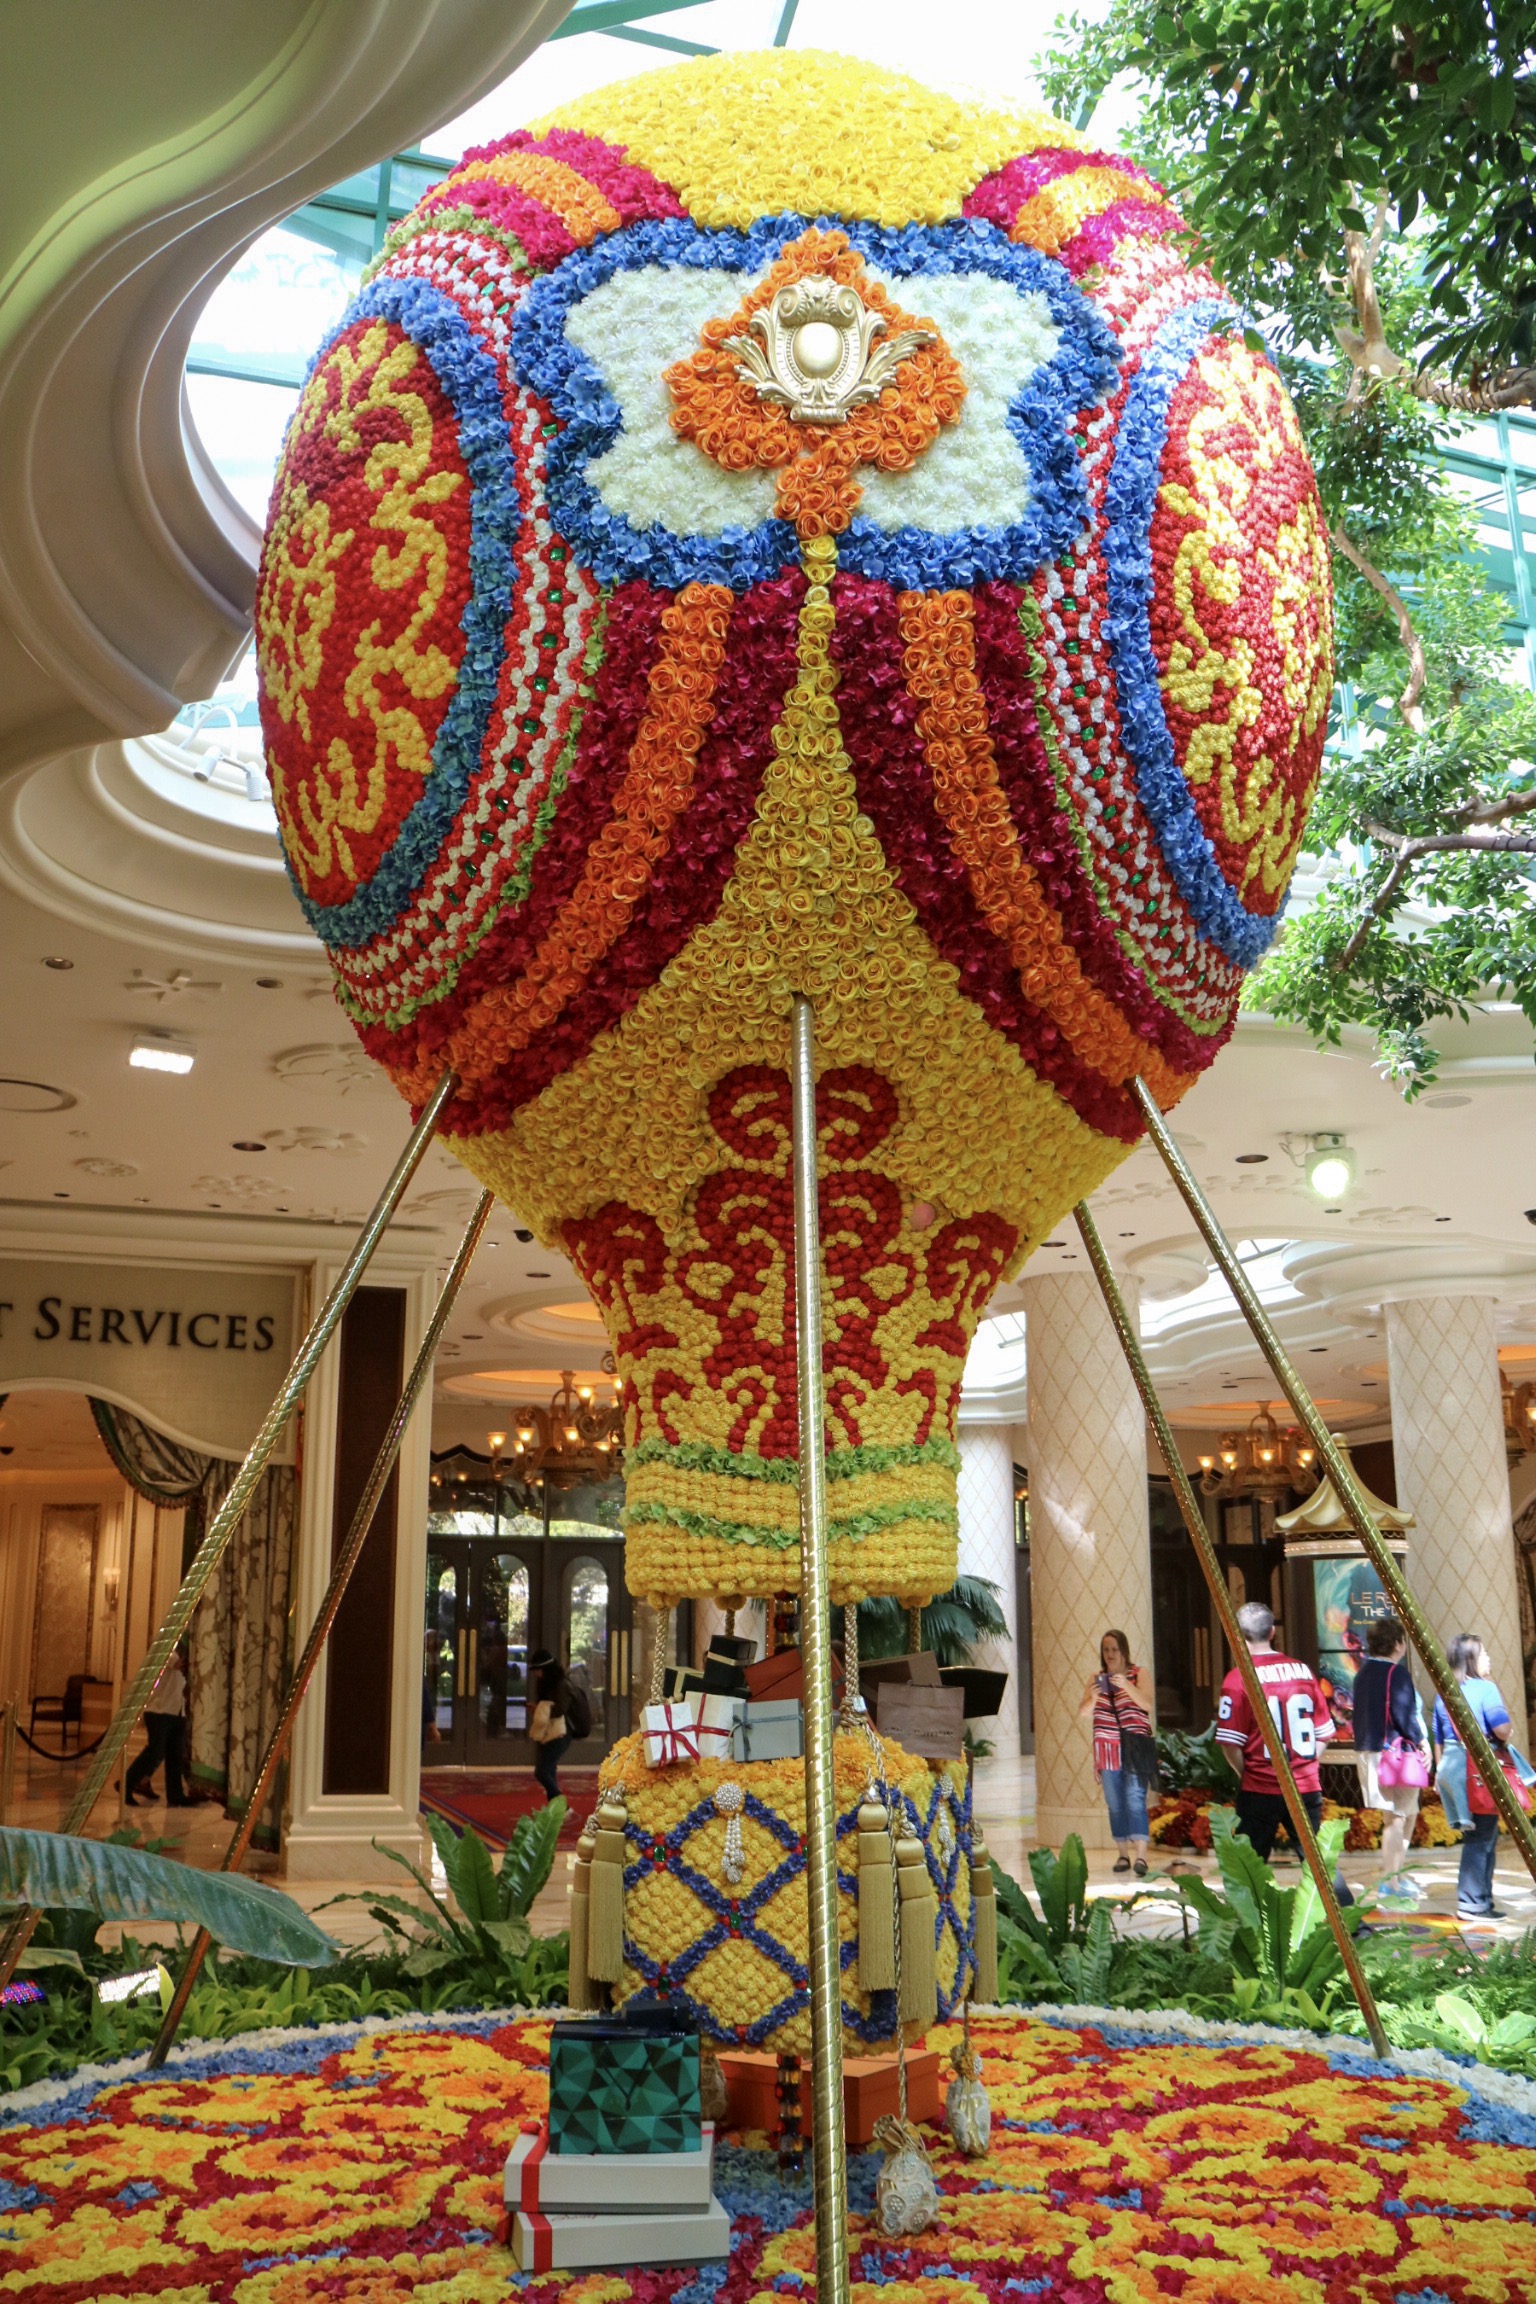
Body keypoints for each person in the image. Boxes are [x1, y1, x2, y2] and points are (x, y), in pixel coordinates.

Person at [1215, 1602, 1352, 1901]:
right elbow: (1324, 1732)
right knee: (1319, 1862)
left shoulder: (1238, 1679)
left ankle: (1246, 1929)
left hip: (1259, 1788)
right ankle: (1351, 1927)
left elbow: (1229, 1743)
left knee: (1249, 1867)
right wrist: (1305, 1764)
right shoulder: (1301, 1671)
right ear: (1273, 1632)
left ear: (1237, 1635)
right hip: (1304, 1786)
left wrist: (1247, 1771)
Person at [1431, 1635, 1519, 1919]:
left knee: (1478, 1834)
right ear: (1470, 1660)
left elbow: (1438, 1737)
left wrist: (1438, 1771)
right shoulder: (1485, 1689)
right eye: (1483, 1654)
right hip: (1479, 1769)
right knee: (1482, 1836)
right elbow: (1502, 1729)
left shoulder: (1444, 1691)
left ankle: (1481, 1898)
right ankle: (1472, 1902)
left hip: (1453, 1769)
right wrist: (1508, 1732)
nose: (1489, 1658)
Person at [1351, 1614, 1429, 1879]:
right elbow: (1404, 1714)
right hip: (1394, 1755)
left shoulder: (1361, 1675)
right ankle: (1391, 1881)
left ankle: (1396, 1873)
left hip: (1368, 1752)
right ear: (1397, 1644)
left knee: (1400, 1814)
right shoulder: (1397, 1673)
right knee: (1397, 1818)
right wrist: (1421, 1742)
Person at [1078, 1629, 1156, 1875]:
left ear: (1124, 1650)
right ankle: (1123, 1854)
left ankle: (1141, 1856)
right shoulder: (1096, 1677)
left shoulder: (1138, 1674)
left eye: (1114, 1649)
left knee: (1135, 1798)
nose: (1110, 1654)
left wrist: (1126, 1687)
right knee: (1114, 1802)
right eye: (1106, 1650)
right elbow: (1083, 1712)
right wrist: (1092, 1697)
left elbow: (1147, 1704)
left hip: (1135, 1745)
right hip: (1107, 1748)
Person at [125, 1645, 190, 1808]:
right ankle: (127, 1784)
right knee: (155, 1751)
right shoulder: (166, 1650)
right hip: (159, 1711)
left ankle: (176, 1795)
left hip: (178, 1711)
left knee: (175, 1755)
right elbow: (176, 1664)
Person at [527, 1648, 573, 1805]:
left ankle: (562, 1806)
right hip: (550, 1732)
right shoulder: (547, 1685)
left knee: (542, 1771)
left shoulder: (560, 1685)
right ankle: (555, 1808)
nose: (536, 1674)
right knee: (549, 1770)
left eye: (537, 1670)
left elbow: (559, 1709)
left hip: (561, 1733)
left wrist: (542, 1708)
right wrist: (538, 1708)